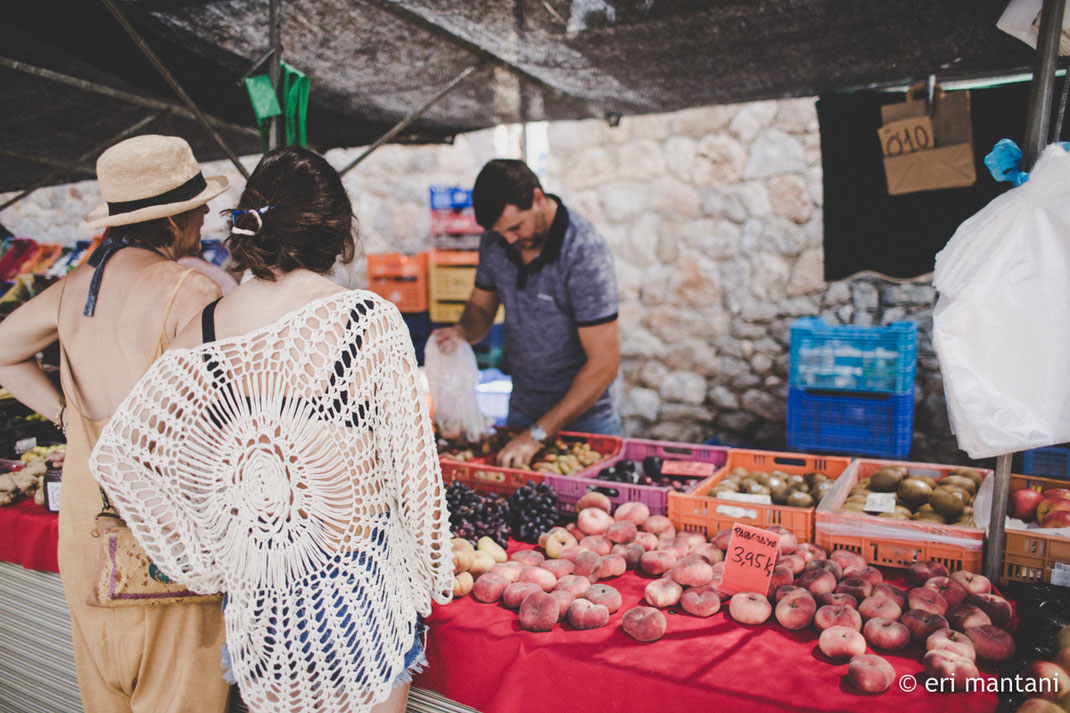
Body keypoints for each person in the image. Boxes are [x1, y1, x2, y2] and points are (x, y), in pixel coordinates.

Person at [90, 146, 453, 713]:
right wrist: (429, 575)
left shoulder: (205, 326)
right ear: (338, 235)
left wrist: (209, 553)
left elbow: (123, 457)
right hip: (359, 586)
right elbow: (416, 483)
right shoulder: (366, 319)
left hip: (262, 593)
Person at [0, 135, 229, 713]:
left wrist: (69, 417)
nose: (206, 214)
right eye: (198, 205)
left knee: (107, 697)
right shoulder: (190, 289)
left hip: (85, 535)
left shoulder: (74, 288)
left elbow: (2, 350)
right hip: (164, 538)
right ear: (173, 219)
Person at [432, 158, 622, 468]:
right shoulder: (496, 241)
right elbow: (481, 307)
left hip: (586, 420)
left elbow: (605, 363)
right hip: (524, 409)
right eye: (500, 232)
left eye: (515, 227)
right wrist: (462, 332)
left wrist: (537, 435)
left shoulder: (583, 251)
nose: (509, 239)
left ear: (537, 198)